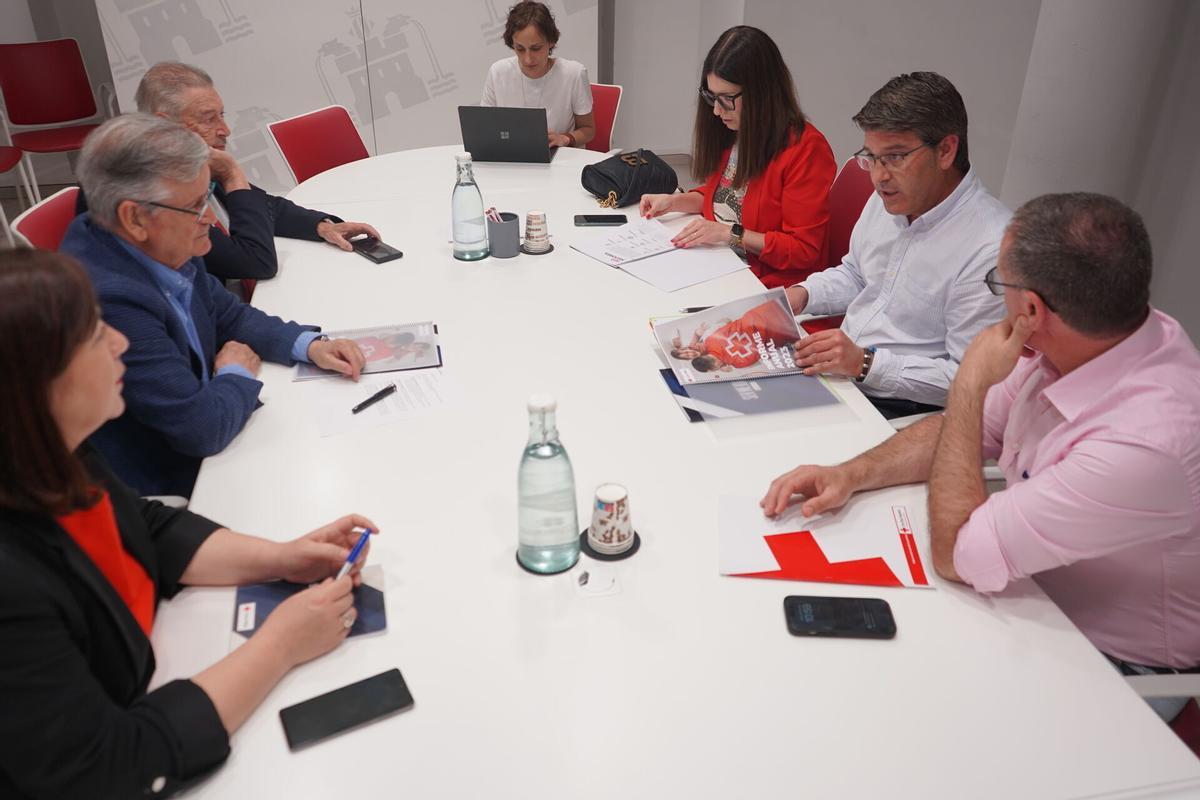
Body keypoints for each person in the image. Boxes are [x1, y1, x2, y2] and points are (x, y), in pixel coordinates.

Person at [761, 193, 1200, 722]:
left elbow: (957, 553)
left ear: (1032, 310)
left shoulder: (1144, 443)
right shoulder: (1089, 340)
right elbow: (962, 431)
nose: (1000, 301)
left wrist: (968, 379)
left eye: (1001, 286)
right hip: (1024, 594)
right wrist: (851, 474)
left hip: (1110, 664)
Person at [0, 247, 379, 799]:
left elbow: (146, 527)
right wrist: (279, 645)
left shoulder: (51, 453)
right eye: (92, 337)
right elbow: (108, 768)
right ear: (35, 388)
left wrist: (282, 556)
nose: (120, 342)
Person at [60, 113, 367, 498]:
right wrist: (237, 374)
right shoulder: (110, 300)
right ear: (135, 217)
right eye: (195, 205)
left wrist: (309, 345)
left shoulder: (155, 240)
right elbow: (200, 430)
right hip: (169, 486)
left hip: (218, 433)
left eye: (208, 197)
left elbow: (227, 312)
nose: (209, 217)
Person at [784, 72, 1010, 418]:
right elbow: (858, 275)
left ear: (946, 150)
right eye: (871, 157)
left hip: (898, 409)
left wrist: (865, 364)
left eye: (894, 157)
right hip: (841, 376)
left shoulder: (990, 247)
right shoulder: (891, 195)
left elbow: (970, 380)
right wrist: (804, 294)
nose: (878, 176)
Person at [131, 61, 380, 283]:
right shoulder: (158, 197)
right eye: (209, 119)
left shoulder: (184, 164)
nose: (225, 130)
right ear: (165, 125)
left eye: (222, 116)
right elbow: (256, 263)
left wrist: (321, 226)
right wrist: (231, 172)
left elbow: (260, 205)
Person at [639, 26, 837, 289]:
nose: (716, 111)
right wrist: (675, 202)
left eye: (727, 98)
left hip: (765, 284)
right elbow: (723, 196)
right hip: (720, 264)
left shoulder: (806, 150)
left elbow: (802, 249)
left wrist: (730, 234)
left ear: (762, 93)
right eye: (711, 97)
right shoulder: (733, 131)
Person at [481, 1, 595, 149]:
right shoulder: (498, 72)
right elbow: (484, 129)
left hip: (560, 158)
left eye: (536, 48)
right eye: (520, 49)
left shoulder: (573, 74)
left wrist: (565, 139)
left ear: (551, 42)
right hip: (512, 159)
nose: (528, 59)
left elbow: (588, 130)